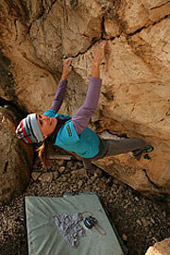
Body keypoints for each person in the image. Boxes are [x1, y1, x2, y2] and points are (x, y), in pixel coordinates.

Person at [15, 41, 153, 169]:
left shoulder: (49, 121)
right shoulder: (65, 136)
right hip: (100, 148)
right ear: (44, 136)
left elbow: (57, 101)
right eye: (41, 123)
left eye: (39, 117)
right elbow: (88, 108)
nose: (45, 118)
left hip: (85, 145)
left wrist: (64, 76)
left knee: (83, 150)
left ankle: (87, 164)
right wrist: (95, 64)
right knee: (137, 142)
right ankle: (140, 150)